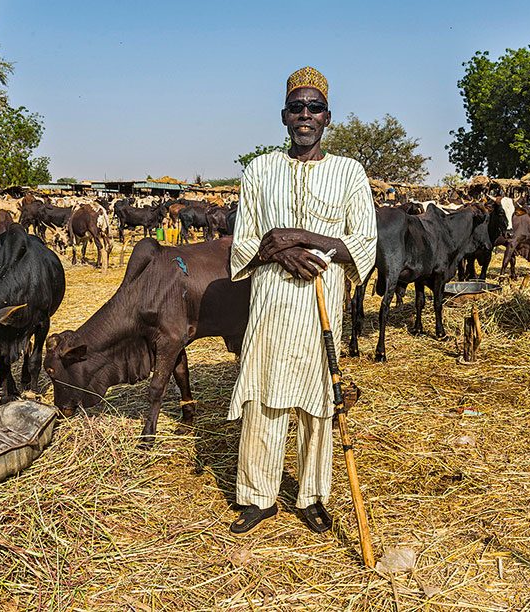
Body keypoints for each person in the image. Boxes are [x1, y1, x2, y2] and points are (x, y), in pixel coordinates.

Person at [227, 67, 377, 534]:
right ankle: (258, 496)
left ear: (328, 117)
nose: (305, 115)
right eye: (297, 107)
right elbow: (245, 242)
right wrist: (280, 250)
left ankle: (312, 497)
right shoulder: (260, 170)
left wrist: (301, 238)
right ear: (284, 116)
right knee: (265, 398)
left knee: (318, 401)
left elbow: (364, 242)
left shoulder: (349, 173)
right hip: (272, 301)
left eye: (314, 107)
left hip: (322, 303)